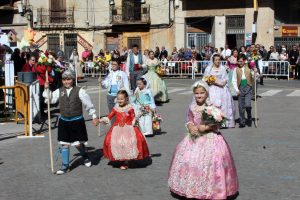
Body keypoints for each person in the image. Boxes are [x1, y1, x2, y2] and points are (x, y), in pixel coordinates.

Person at [168, 80, 239, 199]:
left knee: (212, 164)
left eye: (202, 93)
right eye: (196, 93)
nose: (199, 95)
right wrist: (190, 126)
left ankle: (212, 190)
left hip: (210, 137)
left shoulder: (212, 106)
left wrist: (205, 127)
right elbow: (189, 119)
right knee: (189, 161)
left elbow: (217, 123)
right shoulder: (192, 106)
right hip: (194, 138)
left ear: (206, 93)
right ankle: (192, 188)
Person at [43, 70, 99, 175]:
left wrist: (94, 116)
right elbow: (50, 100)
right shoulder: (59, 91)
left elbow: (88, 104)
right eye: (64, 79)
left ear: (73, 80)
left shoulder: (80, 91)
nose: (66, 82)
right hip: (64, 121)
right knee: (64, 144)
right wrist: (47, 89)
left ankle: (85, 155)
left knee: (77, 144)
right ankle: (65, 166)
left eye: (68, 79)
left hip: (76, 121)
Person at [99, 90, 150, 170]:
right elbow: (109, 116)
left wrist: (136, 118)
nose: (120, 101)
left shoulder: (129, 108)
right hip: (117, 128)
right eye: (118, 99)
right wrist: (102, 120)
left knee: (130, 142)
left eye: (121, 99)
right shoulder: (116, 108)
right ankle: (121, 159)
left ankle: (126, 161)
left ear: (126, 99)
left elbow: (133, 118)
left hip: (128, 127)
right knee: (115, 142)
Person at [203, 54, 235, 128]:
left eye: (219, 60)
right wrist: (214, 82)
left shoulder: (222, 68)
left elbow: (226, 78)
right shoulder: (209, 69)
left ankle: (224, 123)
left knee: (224, 106)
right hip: (212, 88)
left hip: (222, 89)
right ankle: (214, 123)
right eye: (216, 60)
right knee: (214, 105)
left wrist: (223, 83)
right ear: (213, 61)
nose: (218, 61)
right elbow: (205, 79)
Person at [232, 55, 257, 128]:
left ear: (244, 61)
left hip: (248, 88)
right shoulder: (235, 69)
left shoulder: (249, 68)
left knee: (247, 105)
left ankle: (249, 114)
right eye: (238, 61)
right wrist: (237, 90)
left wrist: (255, 72)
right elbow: (234, 80)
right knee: (241, 106)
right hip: (240, 88)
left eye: (241, 61)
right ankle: (242, 121)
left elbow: (255, 76)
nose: (240, 63)